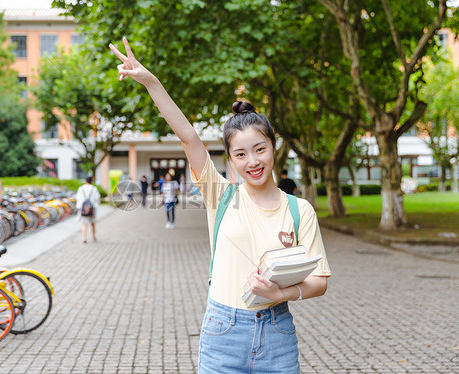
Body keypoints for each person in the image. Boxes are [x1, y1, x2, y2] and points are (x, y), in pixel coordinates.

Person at [110, 38, 331, 373]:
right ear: (229, 160)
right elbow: (189, 137)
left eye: (260, 149)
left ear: (274, 147)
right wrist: (151, 82)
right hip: (222, 333)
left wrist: (281, 291)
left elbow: (320, 282)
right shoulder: (220, 194)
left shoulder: (300, 210)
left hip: (277, 334)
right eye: (240, 154)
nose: (253, 161)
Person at [76, 176, 101, 243]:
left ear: (85, 181)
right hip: (92, 208)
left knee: (84, 223)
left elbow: (78, 197)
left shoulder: (81, 188)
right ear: (91, 181)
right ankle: (93, 236)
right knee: (92, 223)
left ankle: (84, 238)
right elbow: (97, 197)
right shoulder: (94, 188)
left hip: (83, 209)